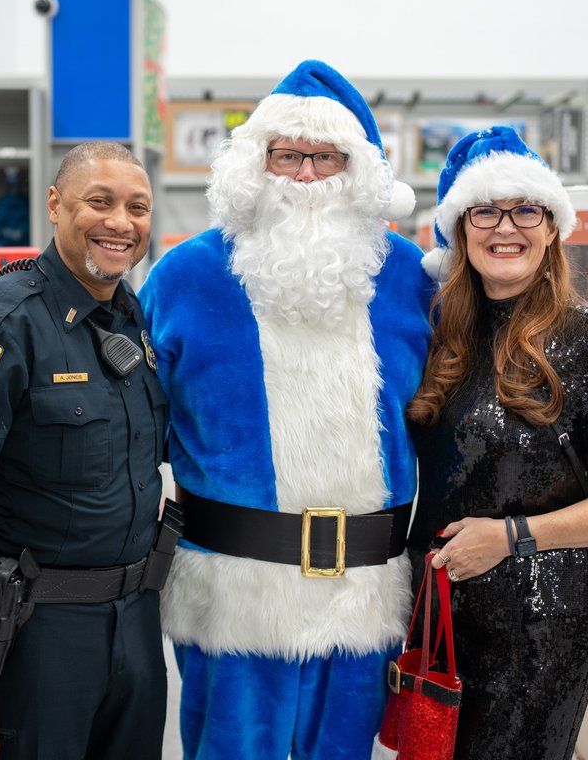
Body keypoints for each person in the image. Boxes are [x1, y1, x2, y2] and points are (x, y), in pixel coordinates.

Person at [139, 59, 435, 760]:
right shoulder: (185, 276)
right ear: (256, 164)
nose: (304, 174)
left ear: (356, 168)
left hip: (364, 598)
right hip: (233, 595)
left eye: (324, 156)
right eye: (288, 155)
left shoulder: (408, 279)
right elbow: (131, 424)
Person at [407, 125, 588, 760]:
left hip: (540, 623)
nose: (507, 227)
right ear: (461, 229)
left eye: (526, 209)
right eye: (486, 211)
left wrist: (511, 536)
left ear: (552, 226)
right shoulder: (446, 339)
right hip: (447, 614)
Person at [0, 141, 170, 760]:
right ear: (55, 205)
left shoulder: (134, 320)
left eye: (137, 207)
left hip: (135, 627)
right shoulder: (0, 325)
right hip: (37, 640)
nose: (120, 223)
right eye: (98, 202)